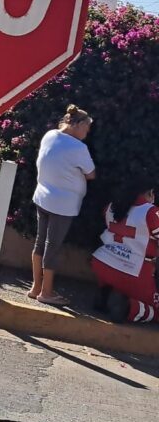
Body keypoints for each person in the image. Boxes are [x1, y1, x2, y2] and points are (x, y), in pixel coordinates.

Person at [28, 104, 96, 306]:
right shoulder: (79, 148)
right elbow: (91, 174)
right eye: (86, 128)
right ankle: (47, 292)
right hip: (63, 204)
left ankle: (35, 287)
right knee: (53, 246)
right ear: (77, 125)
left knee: (40, 242)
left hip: (42, 196)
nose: (87, 132)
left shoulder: (50, 135)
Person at [91, 175, 159, 324]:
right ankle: (128, 307)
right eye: (152, 193)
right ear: (148, 193)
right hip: (134, 271)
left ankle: (107, 295)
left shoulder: (111, 206)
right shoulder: (151, 212)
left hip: (103, 262)